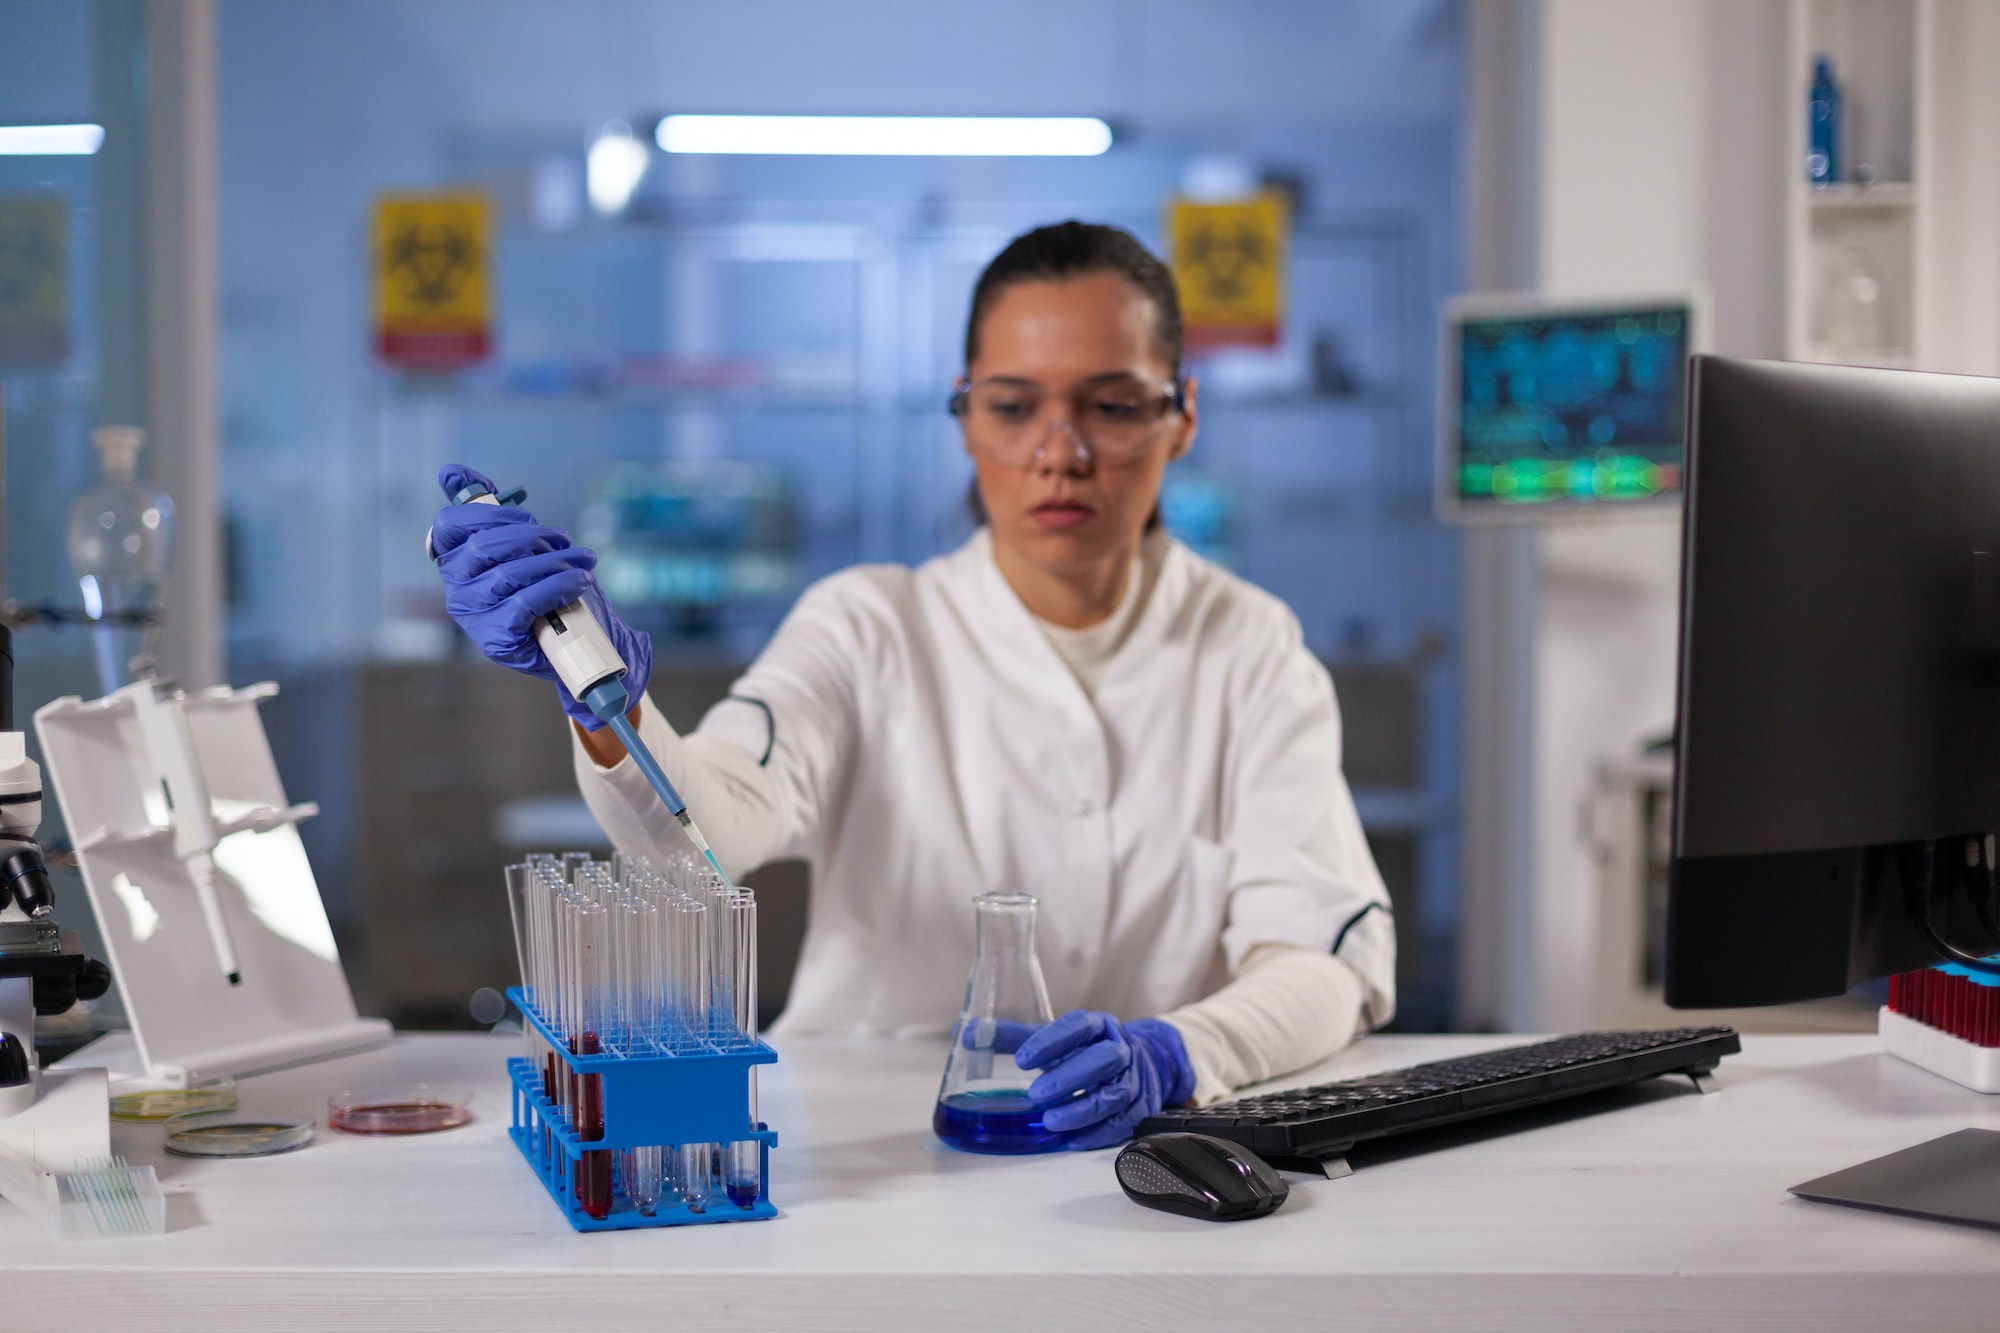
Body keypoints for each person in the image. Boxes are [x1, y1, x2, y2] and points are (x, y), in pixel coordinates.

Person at [430, 221, 1394, 1150]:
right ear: (964, 413)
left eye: (1112, 403)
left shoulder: (1252, 649)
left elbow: (1321, 959)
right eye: (1015, 406)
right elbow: (706, 839)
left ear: (1182, 415)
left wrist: (1182, 1053)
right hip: (851, 1155)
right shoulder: (868, 626)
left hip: (1133, 1167)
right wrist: (611, 709)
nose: (1061, 451)